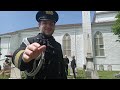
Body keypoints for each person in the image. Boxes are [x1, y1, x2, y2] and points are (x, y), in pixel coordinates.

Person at [12, 11, 67, 79]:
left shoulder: (57, 46)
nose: (48, 26)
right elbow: (17, 57)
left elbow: (61, 69)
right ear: (39, 25)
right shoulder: (30, 41)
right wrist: (24, 57)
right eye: (45, 23)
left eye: (51, 23)